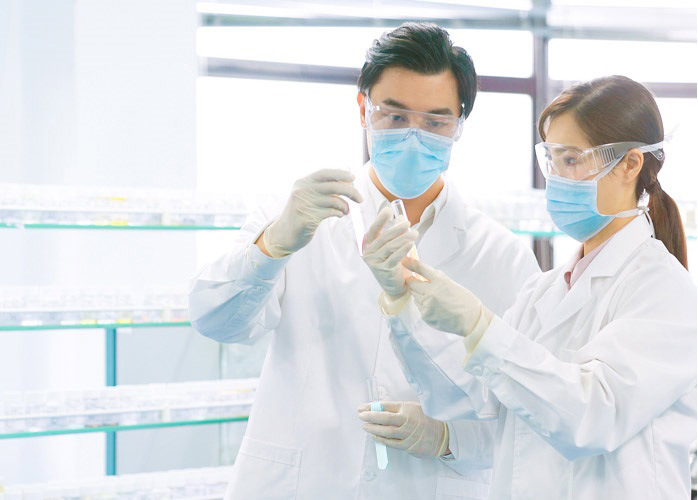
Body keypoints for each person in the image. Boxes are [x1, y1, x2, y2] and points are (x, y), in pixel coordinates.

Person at [188, 22, 539, 499]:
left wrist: (448, 438)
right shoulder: (297, 216)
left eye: (435, 123)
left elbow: (528, 416)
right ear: (363, 107)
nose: (414, 136)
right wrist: (273, 246)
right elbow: (215, 321)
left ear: (459, 125)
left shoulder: (502, 256)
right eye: (395, 116)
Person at [361, 75, 697, 499]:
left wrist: (481, 327)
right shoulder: (544, 291)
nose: (556, 178)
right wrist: (402, 303)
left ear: (630, 164)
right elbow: (472, 398)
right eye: (551, 160)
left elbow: (590, 417)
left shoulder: (663, 289)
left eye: (571, 160)